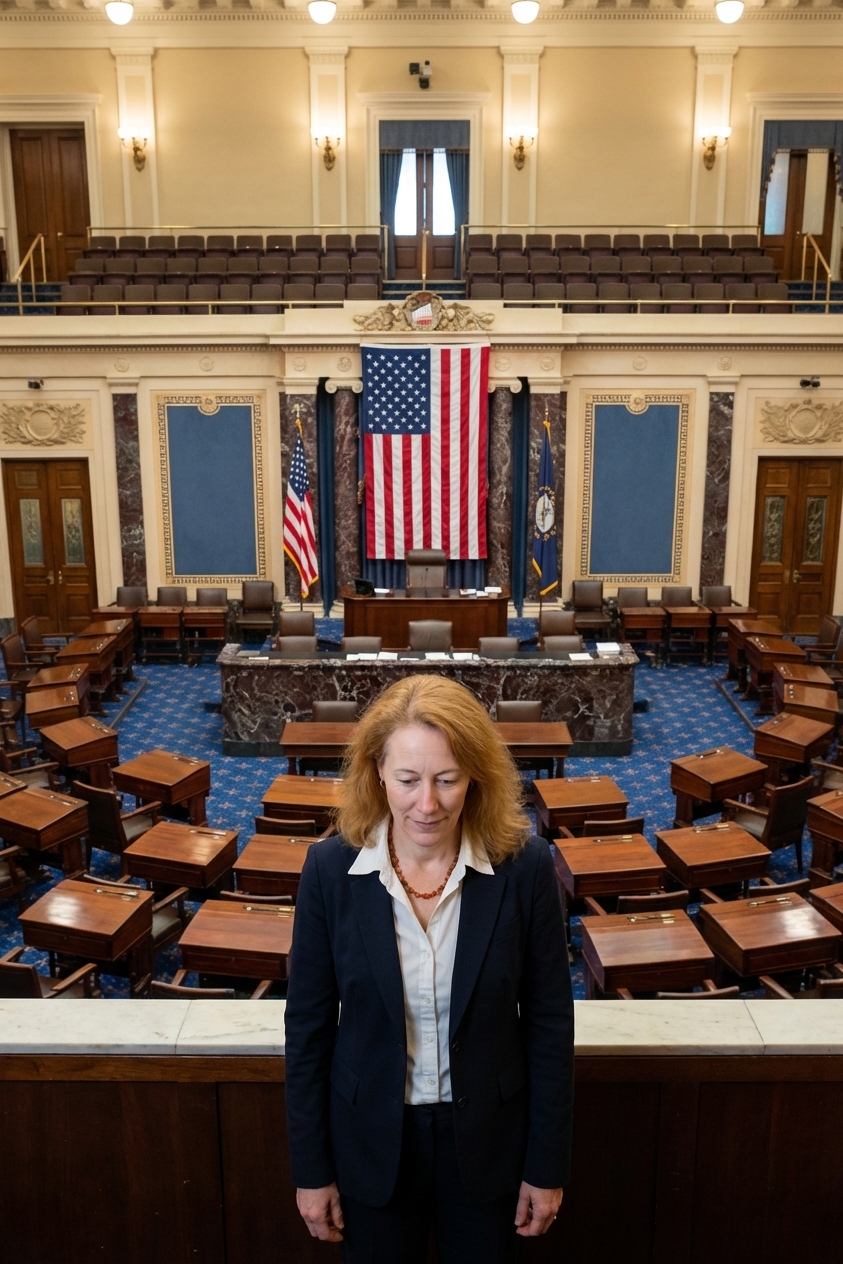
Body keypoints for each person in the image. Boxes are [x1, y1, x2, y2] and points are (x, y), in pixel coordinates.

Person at [284, 675, 574, 1263]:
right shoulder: (328, 870)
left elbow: (549, 1026)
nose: (428, 804)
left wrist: (546, 1166)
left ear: (476, 776)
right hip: (370, 1146)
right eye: (409, 780)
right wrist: (311, 1171)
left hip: (492, 1147)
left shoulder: (527, 869)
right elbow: (308, 1033)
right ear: (377, 774)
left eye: (447, 780)